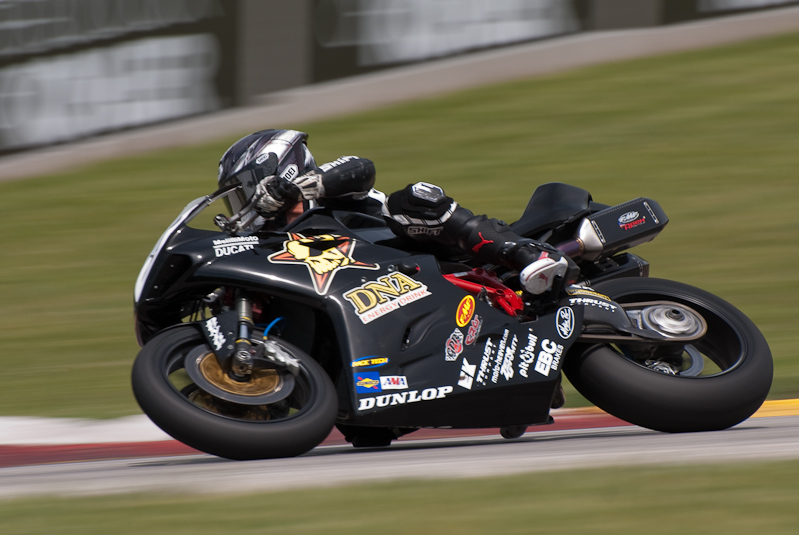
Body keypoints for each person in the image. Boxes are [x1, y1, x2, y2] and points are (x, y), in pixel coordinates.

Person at [217, 129, 575, 295]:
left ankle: (525, 254)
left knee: (413, 199)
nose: (246, 204)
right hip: (387, 299)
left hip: (433, 255)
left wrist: (298, 189)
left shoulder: (327, 189)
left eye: (245, 191)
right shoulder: (275, 244)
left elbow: (362, 167)